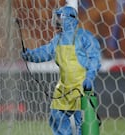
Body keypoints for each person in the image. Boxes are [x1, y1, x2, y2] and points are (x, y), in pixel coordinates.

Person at [21, 5, 101, 135]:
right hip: (64, 87)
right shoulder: (57, 40)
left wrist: (90, 77)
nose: (55, 21)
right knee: (56, 115)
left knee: (84, 123)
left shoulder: (83, 36)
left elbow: (95, 57)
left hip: (82, 86)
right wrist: (30, 55)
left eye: (58, 18)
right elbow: (44, 52)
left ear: (67, 19)